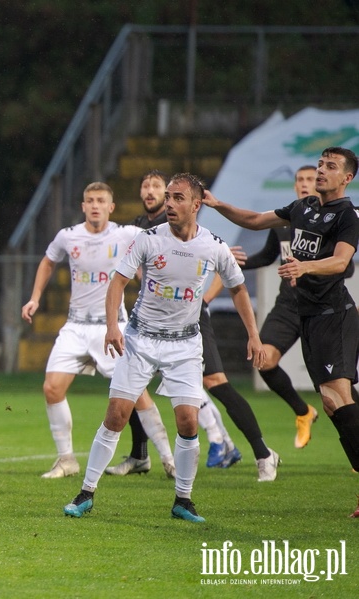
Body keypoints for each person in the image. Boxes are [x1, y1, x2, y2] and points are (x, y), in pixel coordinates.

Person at [63, 173, 266, 523]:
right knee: (116, 415)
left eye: (178, 198)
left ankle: (183, 501)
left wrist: (254, 334)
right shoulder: (148, 239)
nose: (169, 203)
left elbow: (238, 288)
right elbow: (118, 282)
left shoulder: (213, 246)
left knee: (188, 421)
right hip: (141, 339)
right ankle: (86, 492)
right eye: (167, 197)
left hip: (185, 344)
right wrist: (113, 326)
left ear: (196, 205)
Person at [203, 146, 359, 517]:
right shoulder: (303, 208)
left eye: (330, 167)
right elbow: (256, 220)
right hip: (307, 316)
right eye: (320, 164)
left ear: (347, 178)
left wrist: (304, 268)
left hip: (334, 315)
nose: (322, 171)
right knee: (332, 402)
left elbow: (340, 261)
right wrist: (217, 204)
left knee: (338, 396)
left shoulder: (348, 215)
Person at [108, 169, 281, 479]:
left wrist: (203, 300)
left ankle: (254, 450)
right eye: (146, 185)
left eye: (158, 187)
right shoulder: (141, 229)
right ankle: (140, 454)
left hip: (189, 320)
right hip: (151, 324)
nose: (152, 191)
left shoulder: (186, 227)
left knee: (213, 384)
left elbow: (222, 271)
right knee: (131, 388)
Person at [21, 182, 174, 480]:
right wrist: (35, 298)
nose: (94, 205)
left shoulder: (126, 234)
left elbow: (160, 247)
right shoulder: (68, 236)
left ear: (111, 207)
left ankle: (169, 459)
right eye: (89, 200)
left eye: (100, 200)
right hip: (76, 325)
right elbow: (48, 261)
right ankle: (66, 460)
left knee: (137, 394)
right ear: (82, 206)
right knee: (52, 388)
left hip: (112, 327)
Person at [227, 165, 321, 448]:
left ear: (320, 186)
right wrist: (233, 261)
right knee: (264, 360)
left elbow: (345, 268)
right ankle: (303, 412)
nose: (304, 184)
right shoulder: (284, 221)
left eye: (310, 180)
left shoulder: (330, 220)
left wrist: (307, 270)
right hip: (288, 307)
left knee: (334, 385)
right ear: (294, 187)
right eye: (300, 180)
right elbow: (268, 256)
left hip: (321, 307)